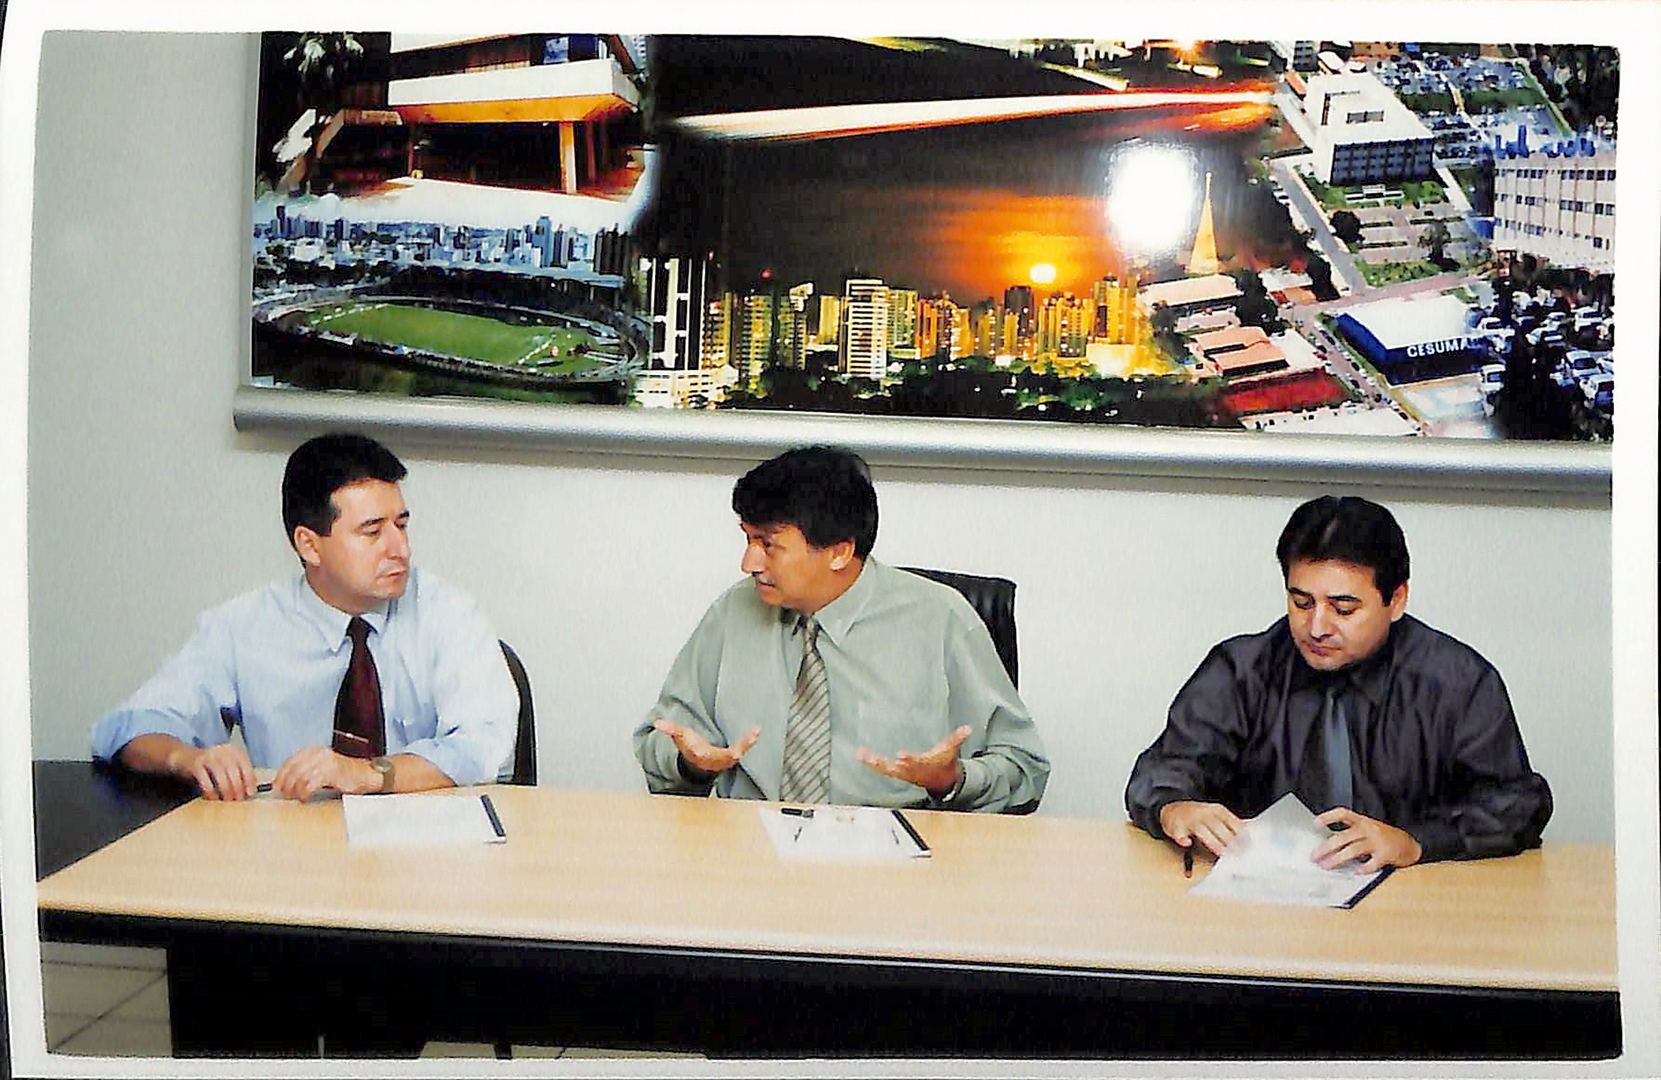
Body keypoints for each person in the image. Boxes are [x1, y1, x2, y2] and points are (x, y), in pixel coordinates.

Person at [1124, 495, 1551, 871]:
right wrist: (1174, 807)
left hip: (1411, 904)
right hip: (1266, 907)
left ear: (1396, 600)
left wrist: (1417, 842)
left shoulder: (1457, 683)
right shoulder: (1241, 671)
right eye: (1301, 602)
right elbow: (1164, 769)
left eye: (1343, 609)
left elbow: (1518, 805)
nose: (1317, 627)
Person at [91, 432, 518, 802]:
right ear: (309, 545)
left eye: (401, 526)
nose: (400, 549)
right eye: (373, 532)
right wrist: (187, 758)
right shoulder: (244, 628)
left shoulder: (450, 615)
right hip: (291, 847)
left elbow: (485, 746)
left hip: (425, 850)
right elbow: (126, 728)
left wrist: (367, 774)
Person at [633, 445, 1048, 811]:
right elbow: (661, 738)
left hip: (894, 852)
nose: (749, 564)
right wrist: (690, 764)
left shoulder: (942, 620)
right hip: (751, 846)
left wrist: (953, 781)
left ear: (839, 552)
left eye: (768, 545)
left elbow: (1025, 767)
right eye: (748, 540)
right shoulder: (733, 612)